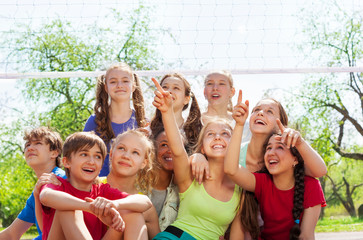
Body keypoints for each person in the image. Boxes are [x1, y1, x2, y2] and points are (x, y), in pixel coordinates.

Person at [191, 94, 327, 239]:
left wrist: (299, 141)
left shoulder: (283, 161)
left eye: (270, 111)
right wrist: (197, 156)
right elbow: (217, 162)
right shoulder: (235, 151)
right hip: (223, 227)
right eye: (256, 110)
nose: (261, 113)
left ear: (281, 125)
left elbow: (319, 171)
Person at [152, 78, 241, 240]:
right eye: (210, 134)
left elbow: (237, 235)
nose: (217, 137)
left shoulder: (240, 187)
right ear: (202, 147)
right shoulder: (190, 175)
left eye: (225, 134)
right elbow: (177, 150)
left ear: (234, 144)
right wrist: (167, 112)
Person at [38, 132, 152, 240]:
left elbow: (145, 201)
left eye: (97, 157)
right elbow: (46, 197)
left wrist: (115, 204)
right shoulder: (56, 183)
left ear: (101, 166)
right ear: (67, 162)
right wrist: (92, 208)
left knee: (132, 214)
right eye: (84, 154)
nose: (91, 161)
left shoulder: (101, 190)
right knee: (69, 210)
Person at [0, 127, 65, 240]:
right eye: (27, 145)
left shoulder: (61, 180)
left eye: (38, 143)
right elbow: (11, 234)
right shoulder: (36, 193)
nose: (30, 148)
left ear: (54, 153)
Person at [84, 62, 147, 176]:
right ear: (106, 88)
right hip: (99, 186)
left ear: (133, 86)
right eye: (113, 82)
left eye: (125, 81)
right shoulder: (94, 121)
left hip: (132, 186)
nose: (119, 85)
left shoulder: (143, 122)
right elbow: (82, 155)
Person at [99, 129, 160, 239]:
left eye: (135, 152)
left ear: (143, 163)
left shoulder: (146, 207)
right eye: (121, 148)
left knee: (133, 213)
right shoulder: (93, 185)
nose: (126, 156)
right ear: (111, 153)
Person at [149, 73, 202, 153]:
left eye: (176, 88)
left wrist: (199, 156)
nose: (169, 91)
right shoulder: (149, 130)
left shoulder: (198, 132)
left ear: (186, 99)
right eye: (165, 87)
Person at [149, 128, 180, 232]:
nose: (170, 150)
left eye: (176, 146)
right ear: (153, 149)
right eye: (164, 145)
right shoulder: (136, 182)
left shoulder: (183, 193)